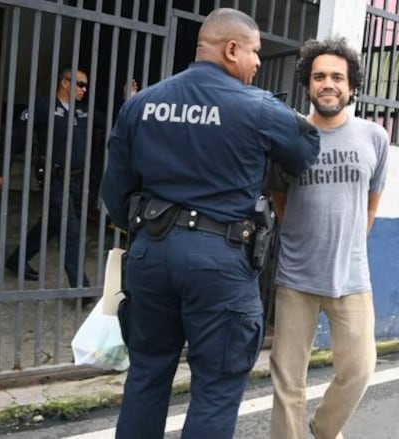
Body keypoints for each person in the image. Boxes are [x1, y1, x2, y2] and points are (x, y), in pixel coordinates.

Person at [101, 8, 320, 439]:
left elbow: (115, 191)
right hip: (220, 262)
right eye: (255, 52)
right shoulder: (258, 108)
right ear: (232, 48)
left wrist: (153, 233)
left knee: (145, 377)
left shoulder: (142, 103)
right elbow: (304, 151)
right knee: (216, 389)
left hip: (151, 255)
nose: (258, 63)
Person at [268, 37, 389, 439]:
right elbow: (280, 200)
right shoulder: (292, 135)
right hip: (296, 278)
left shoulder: (374, 137)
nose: (328, 84)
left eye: (338, 76)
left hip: (352, 277)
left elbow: (370, 203)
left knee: (359, 369)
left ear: (351, 85)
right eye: (319, 76)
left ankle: (323, 429)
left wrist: (351, 243)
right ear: (308, 85)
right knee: (288, 380)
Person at [0, 66, 102, 288]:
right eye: (80, 84)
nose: (84, 90)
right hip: (53, 178)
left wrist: (129, 99)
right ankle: (79, 286)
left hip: (75, 180)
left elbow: (111, 117)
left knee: (52, 225)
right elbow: (16, 136)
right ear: (64, 83)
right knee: (69, 229)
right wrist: (1, 170)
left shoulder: (81, 111)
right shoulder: (44, 107)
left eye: (86, 86)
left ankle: (16, 261)